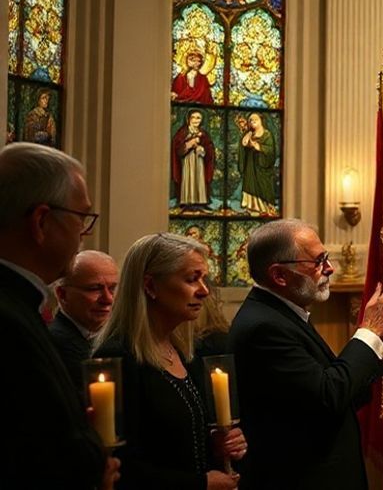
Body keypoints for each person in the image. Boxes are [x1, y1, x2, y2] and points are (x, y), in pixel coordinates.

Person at [227, 219, 383, 489]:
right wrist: (371, 330)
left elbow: (340, 395)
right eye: (318, 262)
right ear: (279, 275)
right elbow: (328, 396)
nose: (330, 268)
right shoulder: (264, 327)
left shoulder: (283, 313)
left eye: (326, 257)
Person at [0, 143, 118, 489]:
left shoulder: (20, 305)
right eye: (81, 218)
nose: (84, 234)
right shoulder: (9, 322)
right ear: (41, 221)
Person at [93, 233, 245, 489]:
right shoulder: (118, 357)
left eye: (204, 279)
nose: (204, 291)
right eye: (191, 279)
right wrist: (201, 484)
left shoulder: (184, 350)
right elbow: (121, 465)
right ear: (150, 286)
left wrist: (218, 444)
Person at [51, 250, 119, 393]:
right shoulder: (57, 344)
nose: (108, 299)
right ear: (62, 294)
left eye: (113, 288)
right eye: (94, 289)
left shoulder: (117, 336)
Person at [171, 110, 216, 210]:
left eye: (198, 118)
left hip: (199, 161)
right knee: (188, 178)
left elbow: (209, 150)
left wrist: (203, 150)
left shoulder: (204, 134)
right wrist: (190, 143)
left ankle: (201, 201)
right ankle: (186, 201)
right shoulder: (182, 132)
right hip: (186, 161)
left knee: (199, 178)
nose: (196, 120)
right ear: (188, 119)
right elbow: (177, 148)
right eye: (193, 117)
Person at [238, 112, 277, 215]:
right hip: (250, 165)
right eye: (250, 120)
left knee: (263, 185)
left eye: (255, 119)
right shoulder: (249, 133)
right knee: (250, 184)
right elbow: (243, 145)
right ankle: (251, 207)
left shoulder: (267, 135)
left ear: (261, 121)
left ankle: (265, 207)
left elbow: (270, 151)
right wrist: (246, 142)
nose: (253, 121)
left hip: (262, 166)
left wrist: (258, 147)